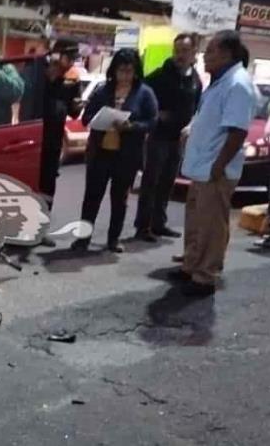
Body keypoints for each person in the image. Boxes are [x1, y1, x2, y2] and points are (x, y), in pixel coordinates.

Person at [171, 31, 256, 296]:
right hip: (202, 167)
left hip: (215, 170)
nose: (204, 57)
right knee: (196, 220)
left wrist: (218, 166)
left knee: (211, 225)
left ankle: (205, 276)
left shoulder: (238, 84)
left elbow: (238, 131)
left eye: (210, 52)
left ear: (227, 54)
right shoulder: (218, 82)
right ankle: (191, 264)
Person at [72, 49, 158, 253]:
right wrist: (100, 120)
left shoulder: (144, 93)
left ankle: (113, 239)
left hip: (126, 155)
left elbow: (152, 121)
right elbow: (86, 118)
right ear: (114, 70)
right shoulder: (103, 90)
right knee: (92, 198)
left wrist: (132, 126)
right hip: (100, 152)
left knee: (120, 199)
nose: (126, 75)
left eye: (130, 71)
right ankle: (83, 239)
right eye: (122, 70)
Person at [134, 33, 203, 241]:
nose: (180, 55)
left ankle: (159, 223)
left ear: (194, 53)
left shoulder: (195, 78)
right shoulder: (160, 75)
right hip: (158, 137)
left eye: (185, 50)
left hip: (179, 139)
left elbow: (197, 106)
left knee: (167, 182)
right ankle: (143, 226)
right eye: (177, 50)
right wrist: (156, 114)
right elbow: (140, 96)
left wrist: (191, 124)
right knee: (151, 181)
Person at [32, 38, 83, 212]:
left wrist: (77, 106)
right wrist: (49, 79)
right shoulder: (38, 70)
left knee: (48, 184)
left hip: (54, 141)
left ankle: (43, 223)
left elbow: (73, 111)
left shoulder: (73, 78)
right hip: (32, 137)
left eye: (74, 58)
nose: (71, 63)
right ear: (56, 55)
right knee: (30, 180)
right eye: (69, 57)